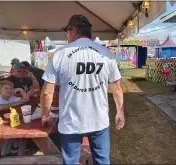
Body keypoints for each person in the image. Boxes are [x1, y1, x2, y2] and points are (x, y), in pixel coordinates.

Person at [40, 15, 125, 164]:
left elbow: (47, 91)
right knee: (102, 160)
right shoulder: (106, 54)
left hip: (71, 122)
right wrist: (120, 112)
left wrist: (45, 115)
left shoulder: (60, 54)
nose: (66, 36)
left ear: (73, 30)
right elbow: (117, 87)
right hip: (99, 120)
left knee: (71, 161)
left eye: (67, 31)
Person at [0, 80, 30, 156]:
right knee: (9, 134)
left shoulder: (12, 98)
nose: (9, 90)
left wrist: (21, 90)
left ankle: (15, 148)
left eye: (11, 88)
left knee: (18, 127)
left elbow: (26, 99)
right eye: (6, 88)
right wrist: (16, 103)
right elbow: (0, 107)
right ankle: (4, 153)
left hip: (7, 121)